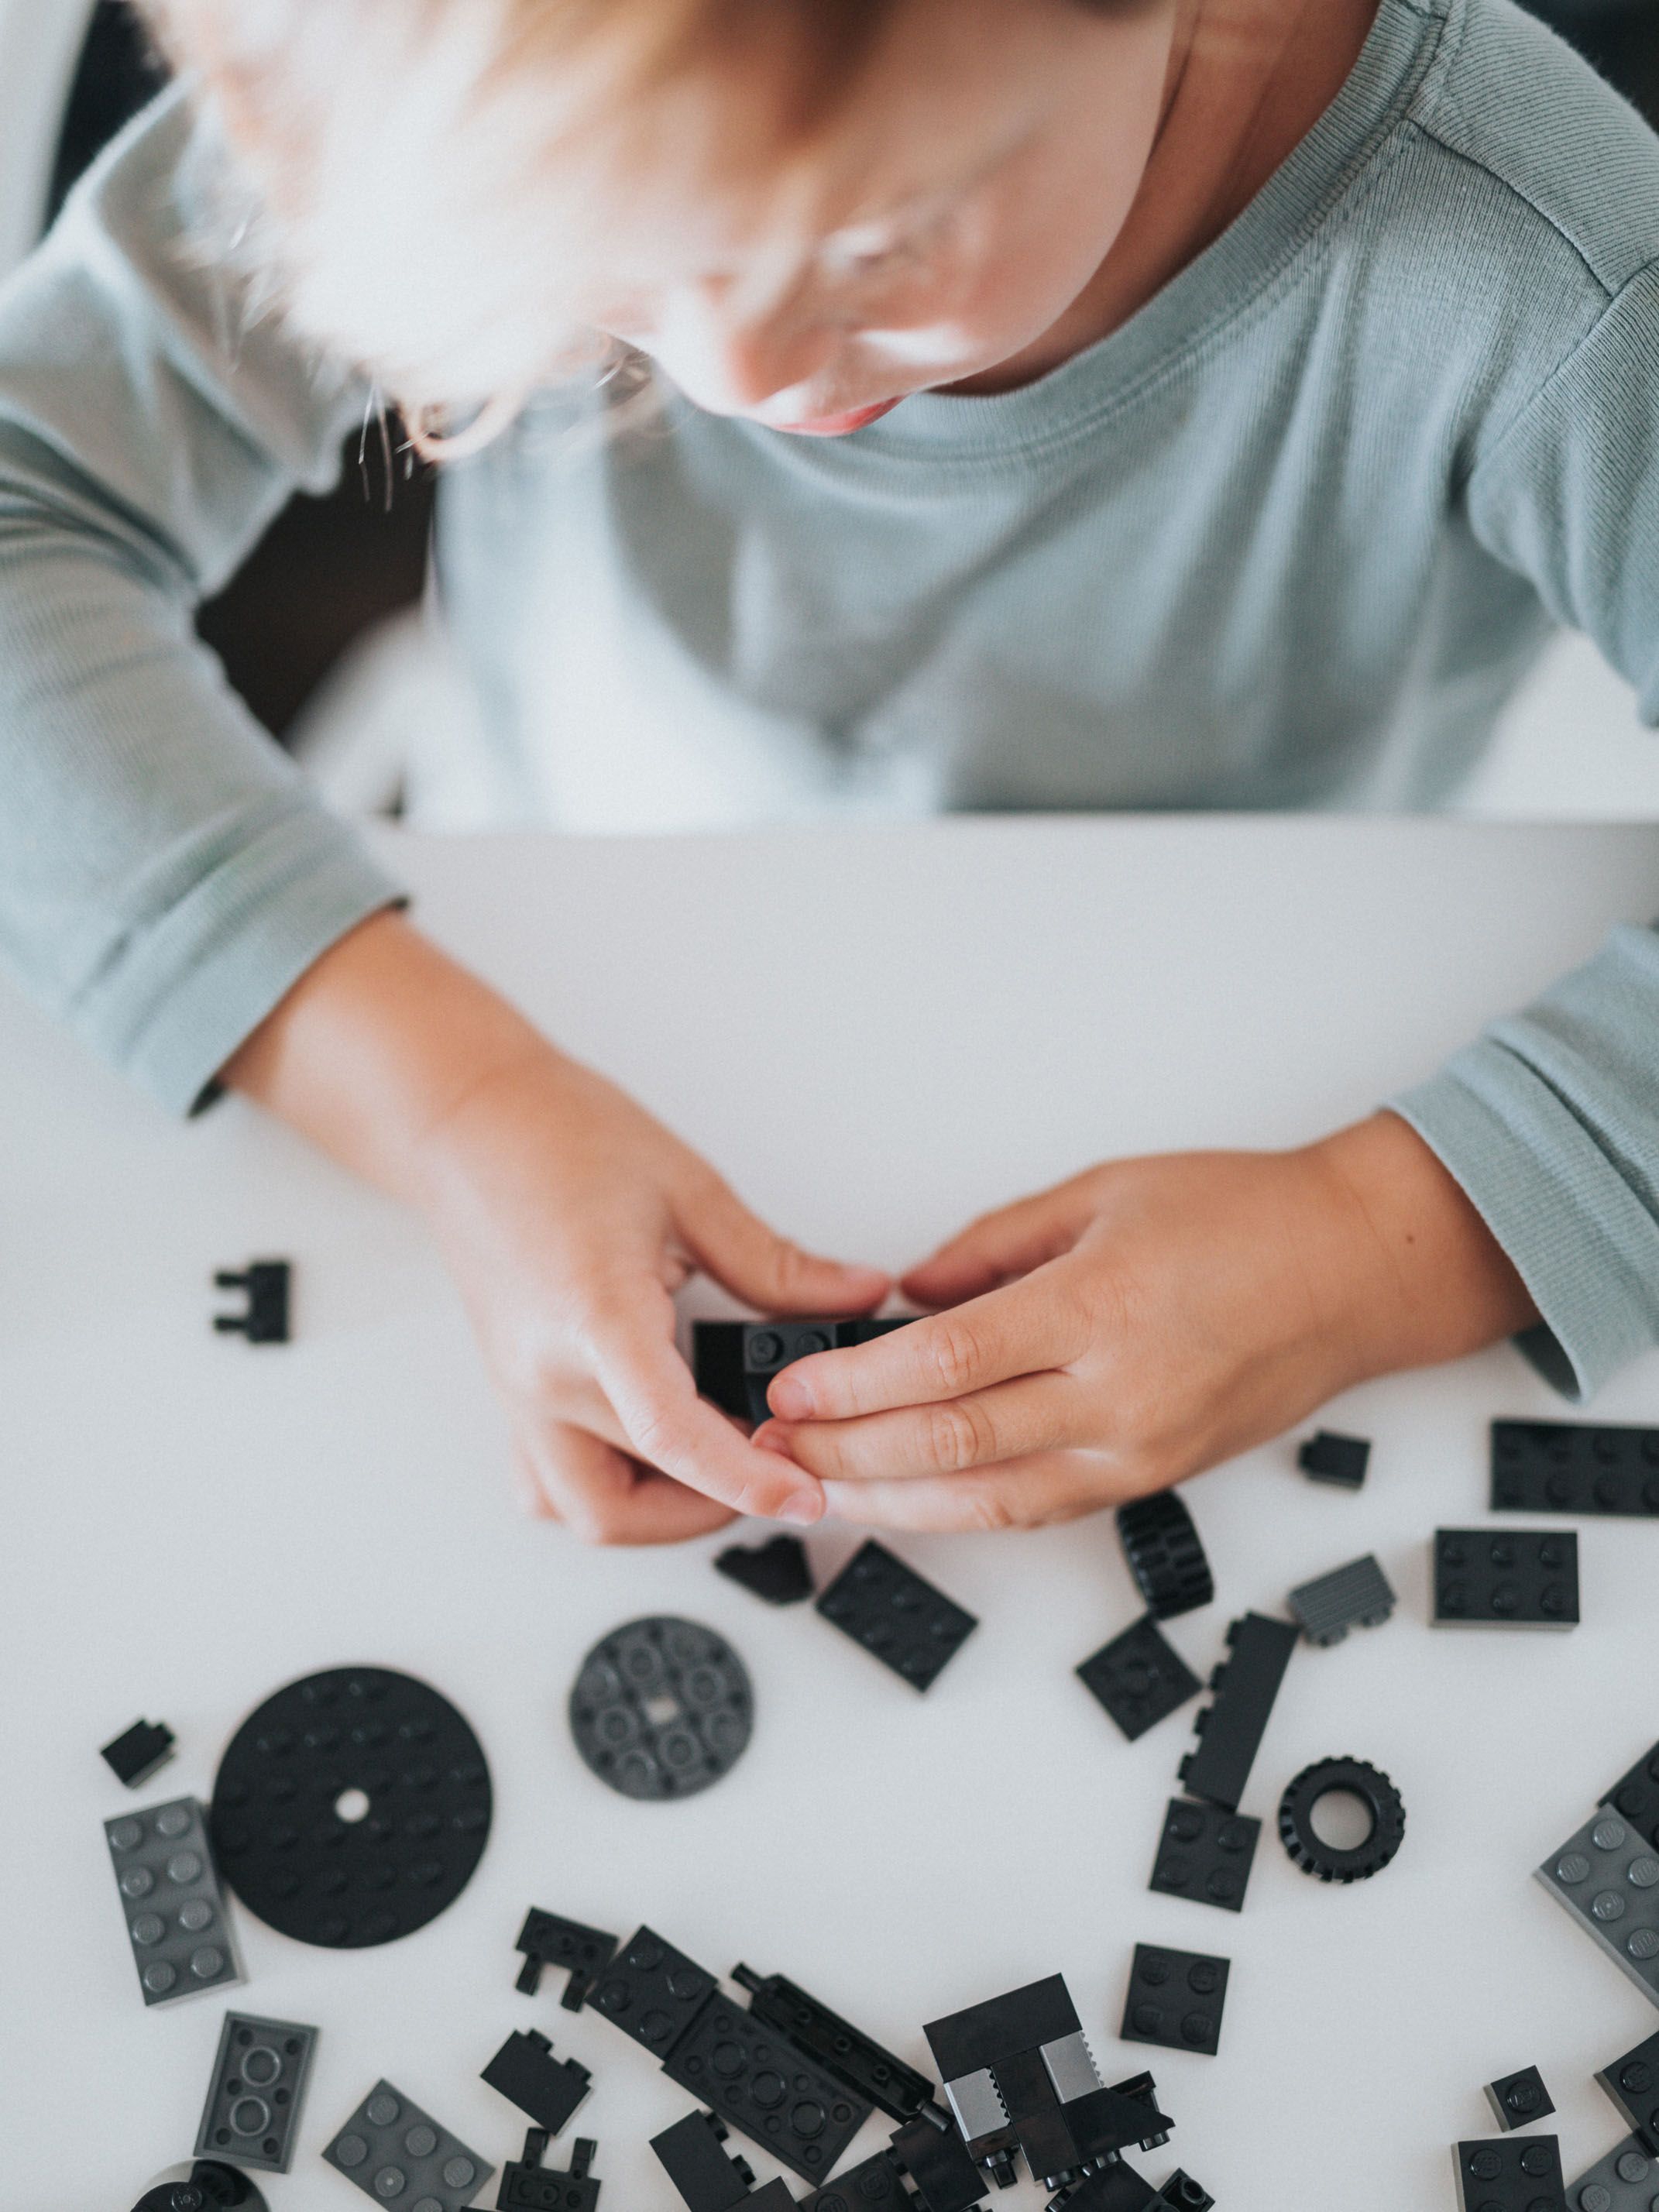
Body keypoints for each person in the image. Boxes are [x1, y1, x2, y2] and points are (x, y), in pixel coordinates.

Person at [2, 0, 1655, 1547]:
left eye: (882, 240)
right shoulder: (452, 60)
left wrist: (1379, 1250)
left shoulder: (1550, 270)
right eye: (605, 274)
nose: (747, 379)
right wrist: (448, 1103)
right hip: (565, 929)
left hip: (1234, 1012)